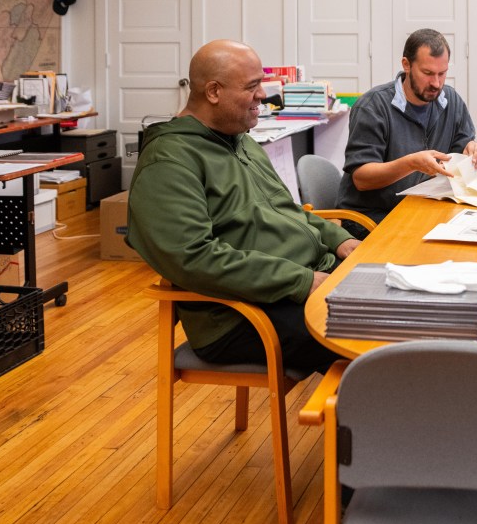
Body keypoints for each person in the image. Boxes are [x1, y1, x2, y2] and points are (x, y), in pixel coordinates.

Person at [127, 39, 359, 375]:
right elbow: (193, 258)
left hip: (295, 283)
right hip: (238, 315)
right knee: (373, 333)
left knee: (398, 307)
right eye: (252, 86)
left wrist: (339, 240)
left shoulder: (241, 141)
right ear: (213, 92)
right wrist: (302, 281)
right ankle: (368, 421)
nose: (263, 95)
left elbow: (286, 208)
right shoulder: (169, 160)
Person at [337, 28, 477, 231]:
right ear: (406, 65)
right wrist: (410, 164)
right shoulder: (373, 106)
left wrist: (471, 149)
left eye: (442, 74)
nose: (436, 83)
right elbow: (362, 179)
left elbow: (458, 152)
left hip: (422, 209)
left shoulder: (450, 101)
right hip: (374, 218)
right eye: (427, 73)